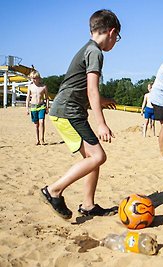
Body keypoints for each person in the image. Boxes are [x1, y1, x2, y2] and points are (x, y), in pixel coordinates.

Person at [40, 9, 121, 219]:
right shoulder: (95, 52)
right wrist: (101, 123)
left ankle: (88, 205)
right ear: (111, 32)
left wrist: (103, 102)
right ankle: (54, 190)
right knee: (98, 156)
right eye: (117, 38)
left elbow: (81, 87)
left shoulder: (87, 48)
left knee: (92, 158)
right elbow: (92, 89)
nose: (116, 42)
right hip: (69, 111)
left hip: (68, 109)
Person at [26, 70, 49, 145]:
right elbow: (28, 98)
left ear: (39, 78)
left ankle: (42, 139)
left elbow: (47, 98)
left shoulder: (43, 87)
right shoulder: (30, 87)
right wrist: (27, 108)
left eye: (36, 78)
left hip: (41, 106)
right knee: (36, 124)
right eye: (33, 78)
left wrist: (47, 107)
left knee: (41, 122)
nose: (34, 80)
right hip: (33, 106)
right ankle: (37, 139)